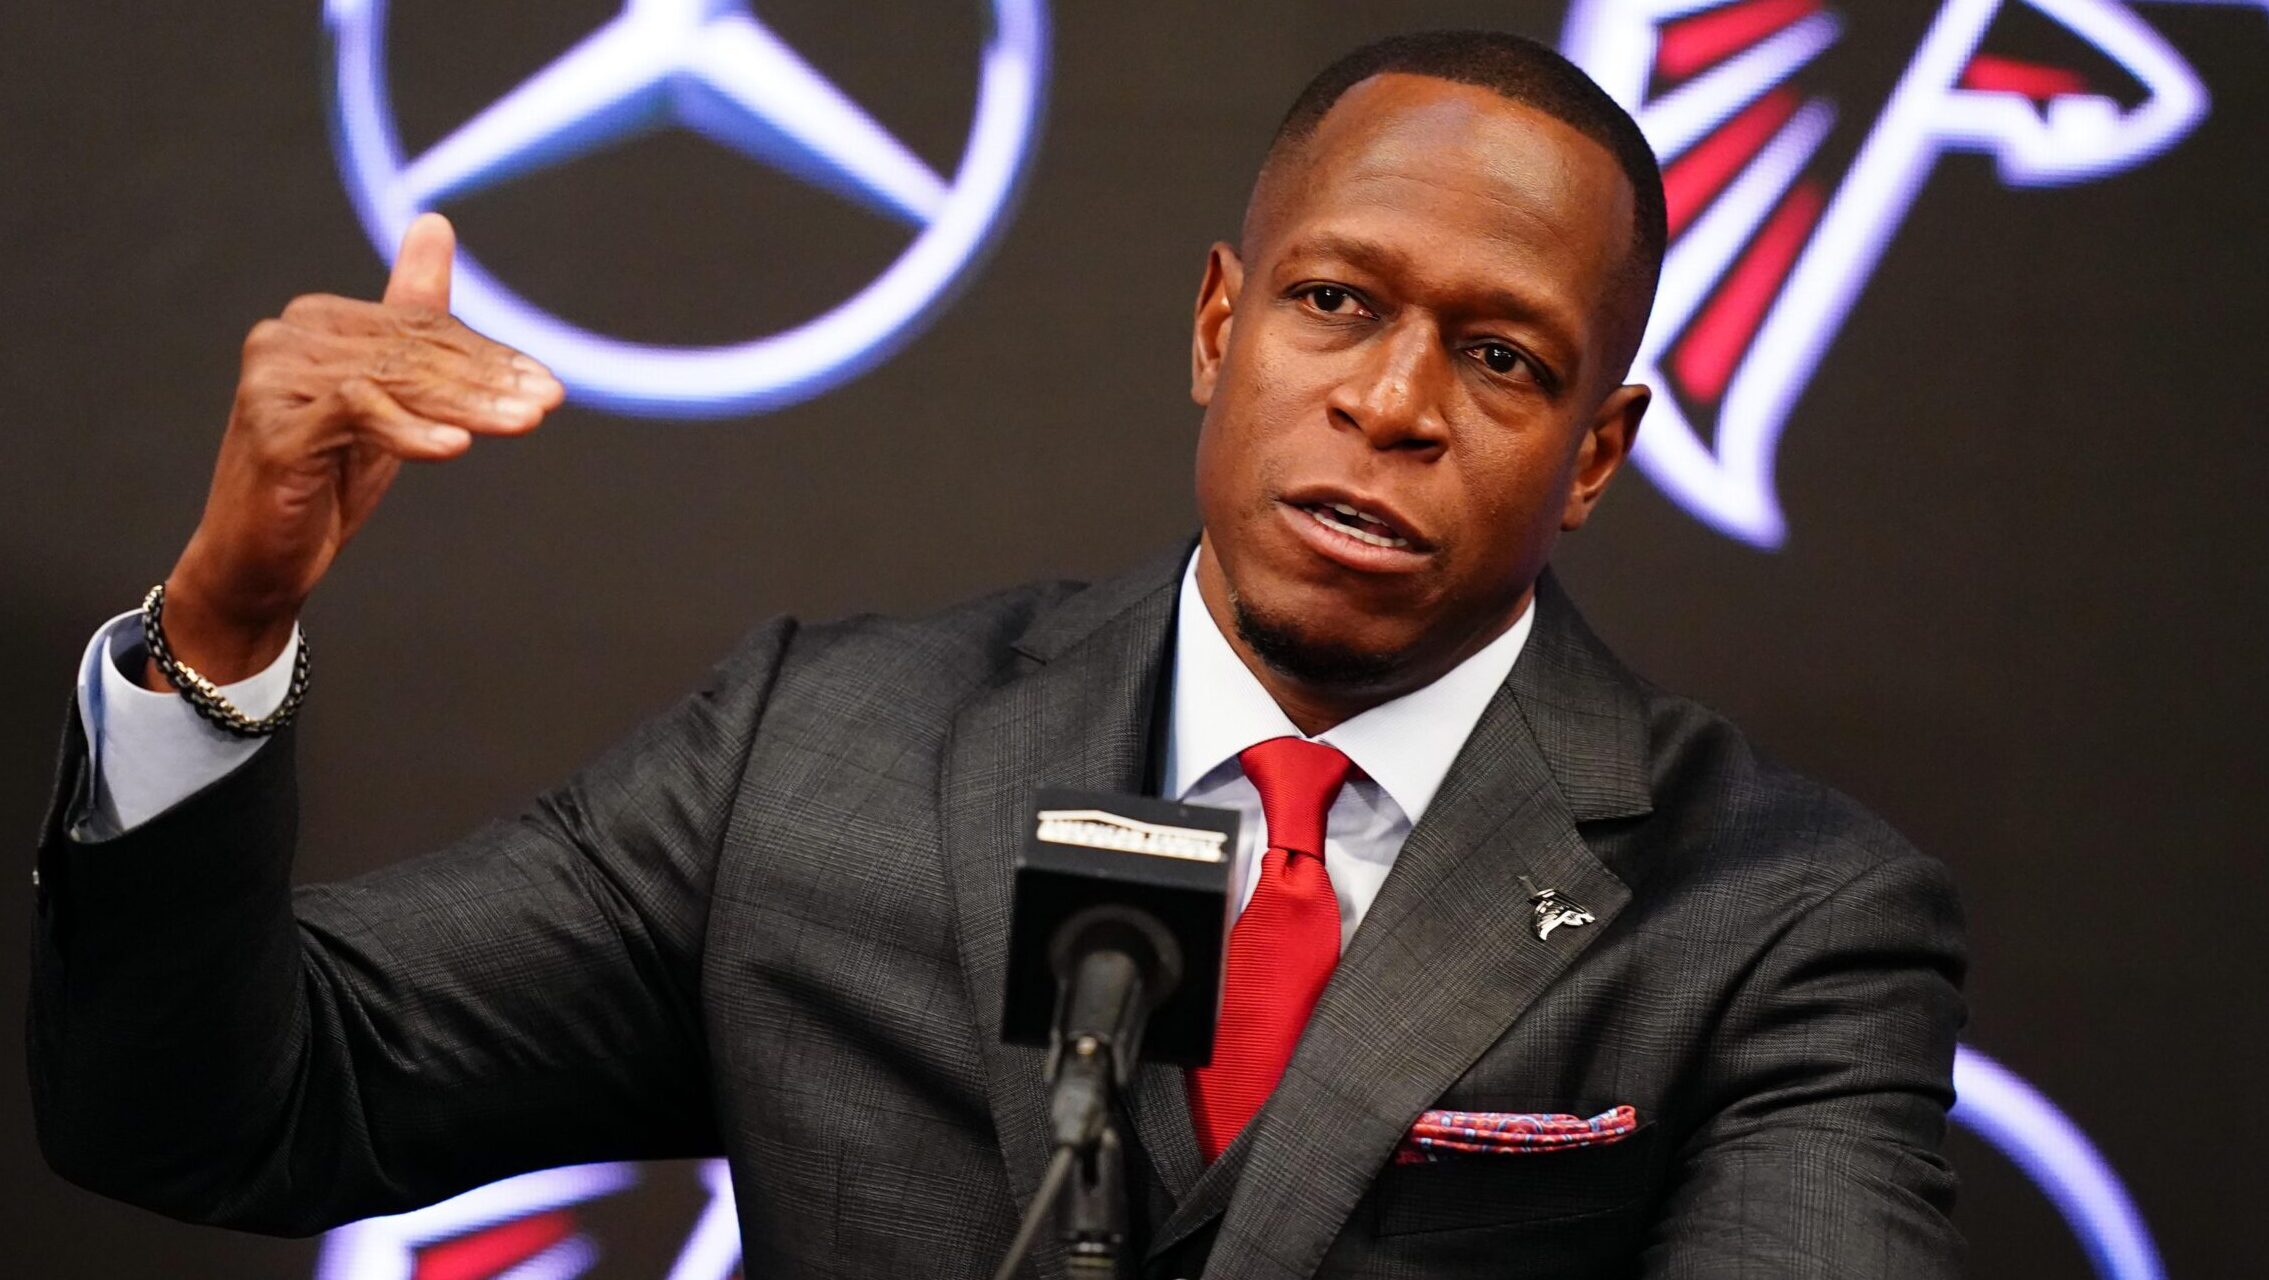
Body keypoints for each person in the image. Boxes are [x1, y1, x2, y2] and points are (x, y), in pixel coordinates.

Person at [28, 30, 1965, 1280]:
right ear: (1219, 327)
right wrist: (226, 623)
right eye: (1331, 301)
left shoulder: (1773, 916)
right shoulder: (820, 750)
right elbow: (217, 1106)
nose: (1390, 401)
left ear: (1597, 449)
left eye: (1502, 358)